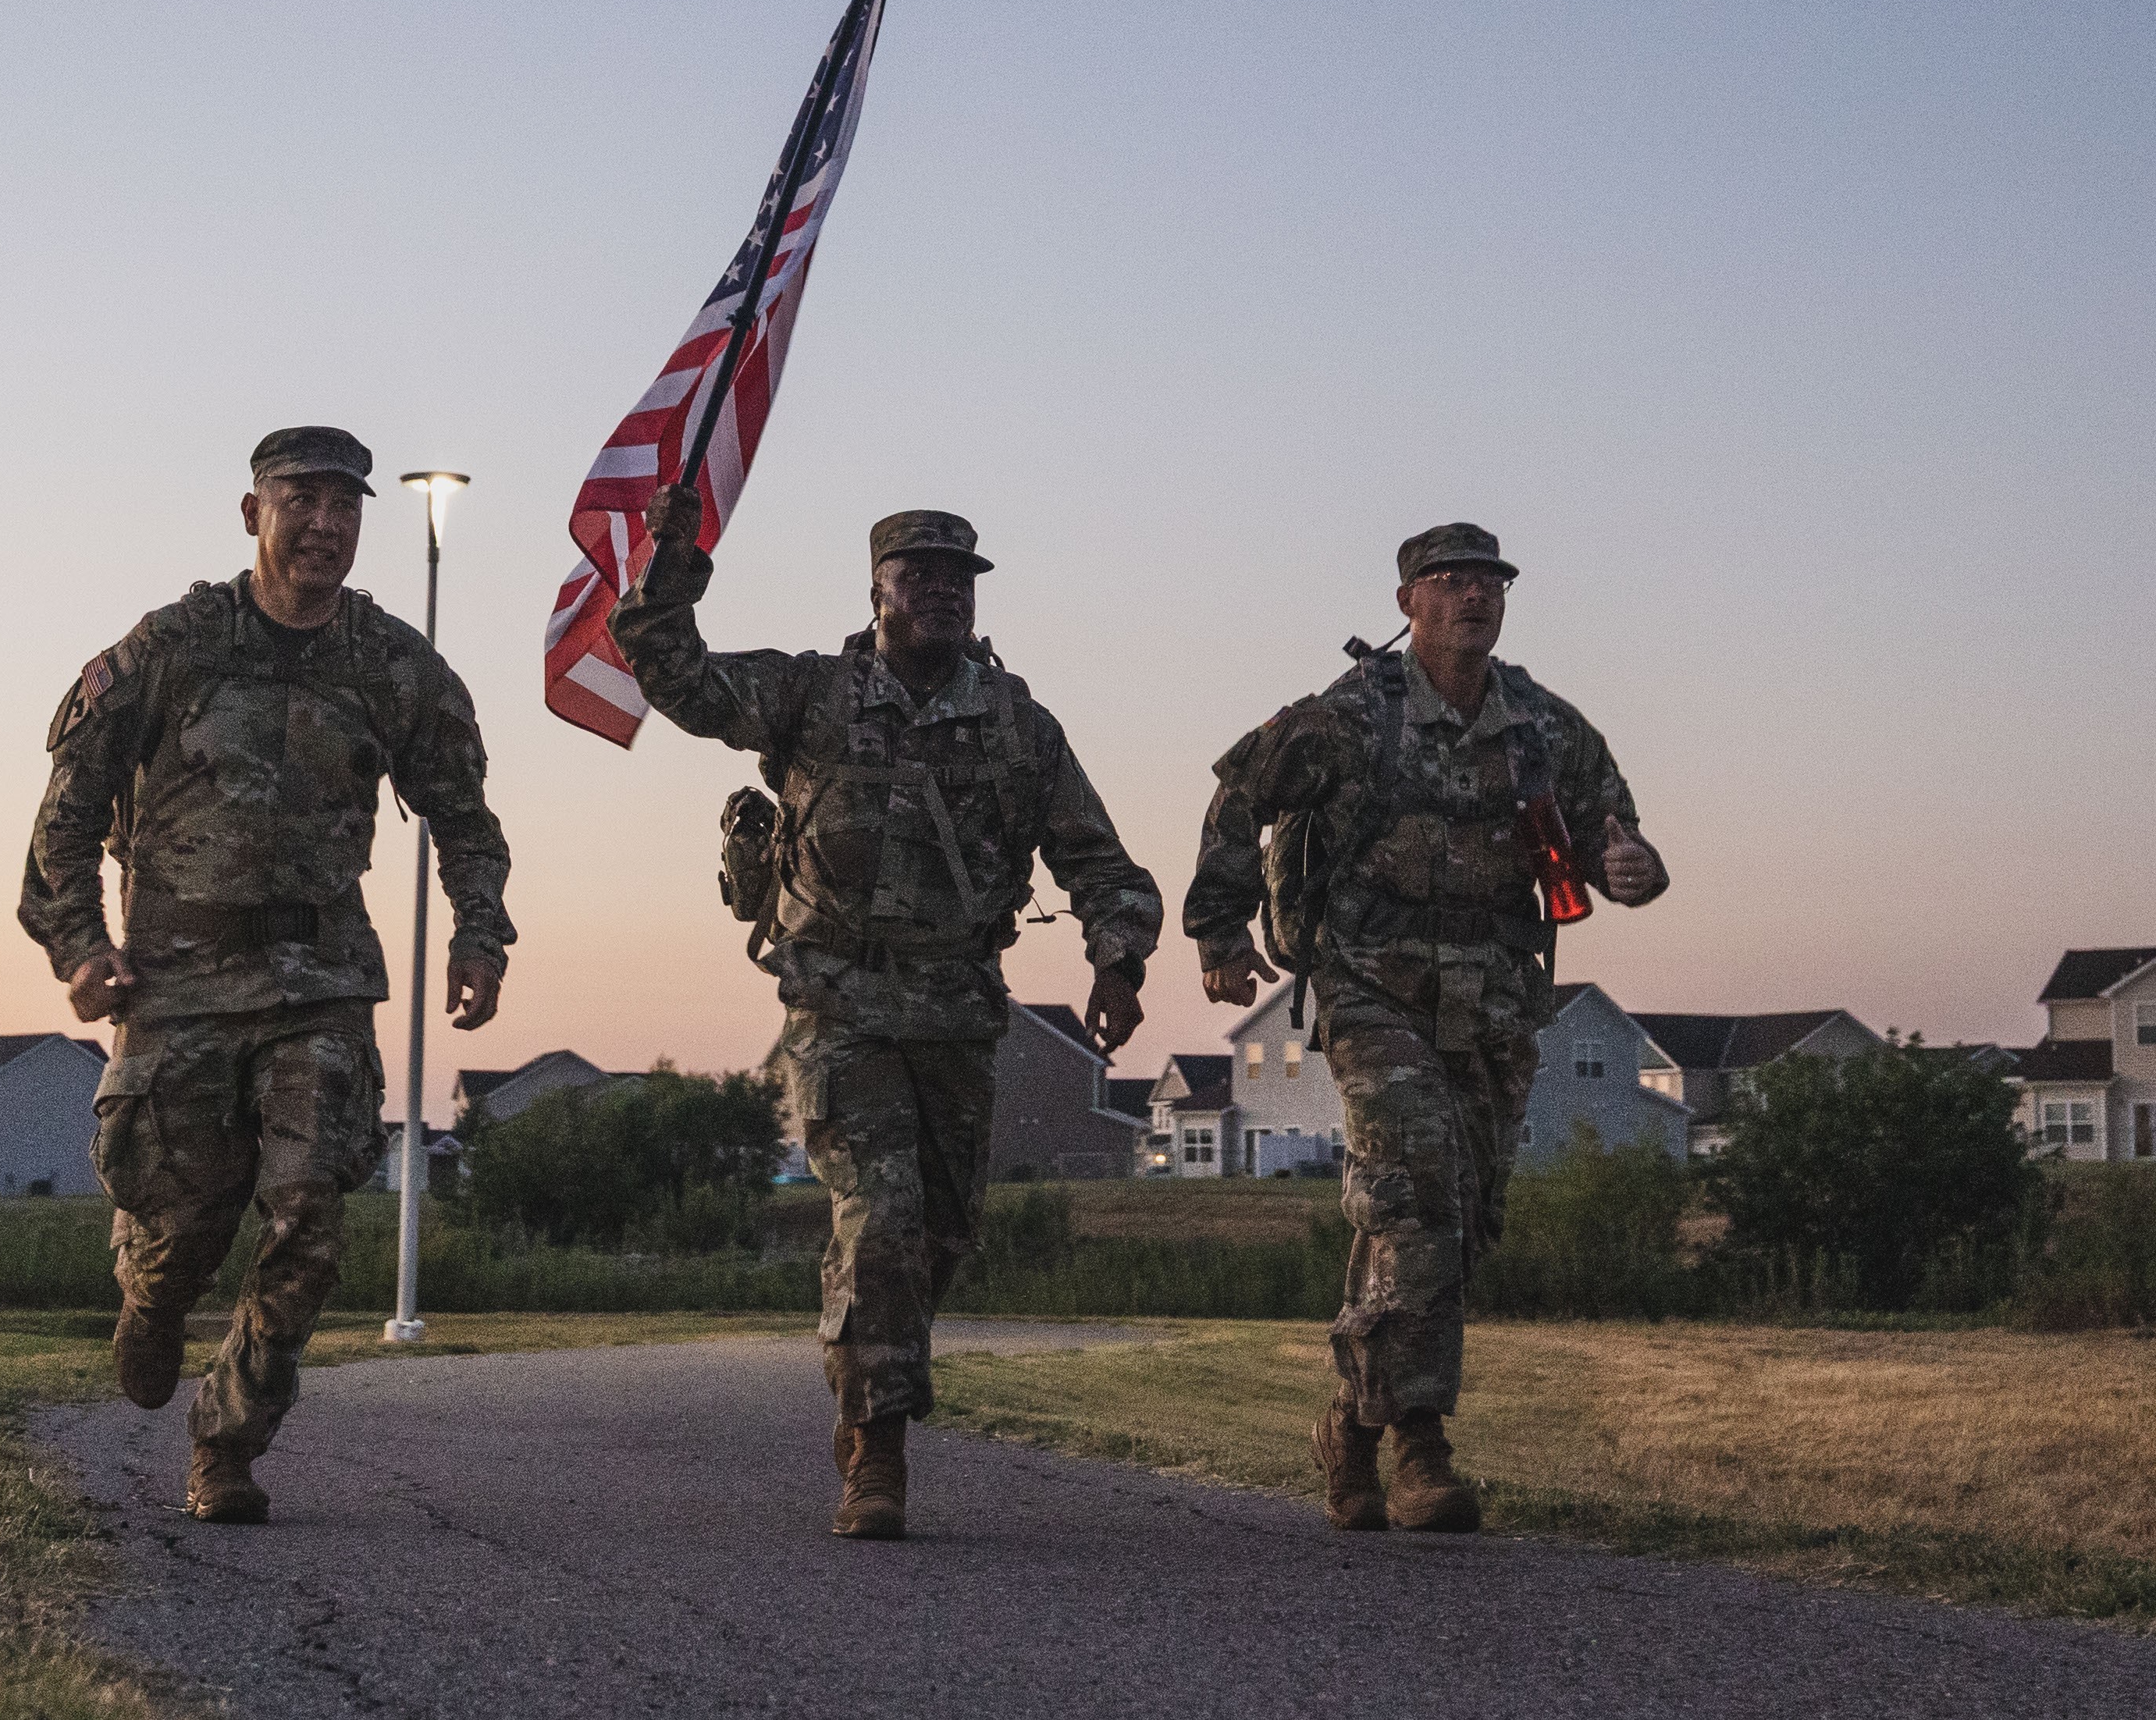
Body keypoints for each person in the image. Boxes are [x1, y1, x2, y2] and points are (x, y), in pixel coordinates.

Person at [611, 487, 1161, 1539]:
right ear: (878, 591)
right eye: (921, 577)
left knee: (942, 1228)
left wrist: (1118, 958)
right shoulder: (811, 695)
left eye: (959, 579)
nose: (943, 594)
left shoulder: (1017, 724)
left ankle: (875, 1378)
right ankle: (877, 1447)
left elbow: (1099, 858)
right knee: (883, 1215)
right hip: (839, 1001)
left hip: (957, 1008)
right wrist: (669, 561)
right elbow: (677, 676)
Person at [19, 426, 514, 1524]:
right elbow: (65, 808)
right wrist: (79, 945)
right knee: (182, 1220)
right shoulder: (175, 646)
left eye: (346, 505)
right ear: (254, 514)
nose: (326, 524)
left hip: (323, 975)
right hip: (178, 976)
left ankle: (228, 1443)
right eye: (303, 500)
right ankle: (151, 1298)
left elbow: (467, 817)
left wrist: (480, 931)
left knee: (309, 1216)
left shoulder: (393, 666)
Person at [1183, 523, 1664, 1533]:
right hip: (1370, 988)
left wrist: (1634, 867)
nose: (1472, 598)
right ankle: (1421, 1444)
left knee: (1459, 1219)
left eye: (1487, 581)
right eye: (1448, 582)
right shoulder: (1356, 715)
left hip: (1494, 999)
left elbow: (1619, 835)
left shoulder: (1542, 725)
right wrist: (1219, 931)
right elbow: (1239, 790)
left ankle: (1350, 1429)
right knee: (1416, 1196)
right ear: (1409, 603)